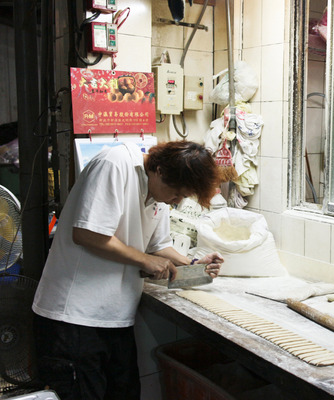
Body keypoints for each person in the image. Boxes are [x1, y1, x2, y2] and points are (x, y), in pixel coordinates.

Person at [32, 140, 224, 400]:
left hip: (116, 318)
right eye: (176, 193)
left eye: (183, 196)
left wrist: (191, 265)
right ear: (159, 170)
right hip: (74, 317)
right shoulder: (114, 164)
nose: (176, 200)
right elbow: (87, 234)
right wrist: (144, 261)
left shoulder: (160, 195)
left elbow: (158, 246)